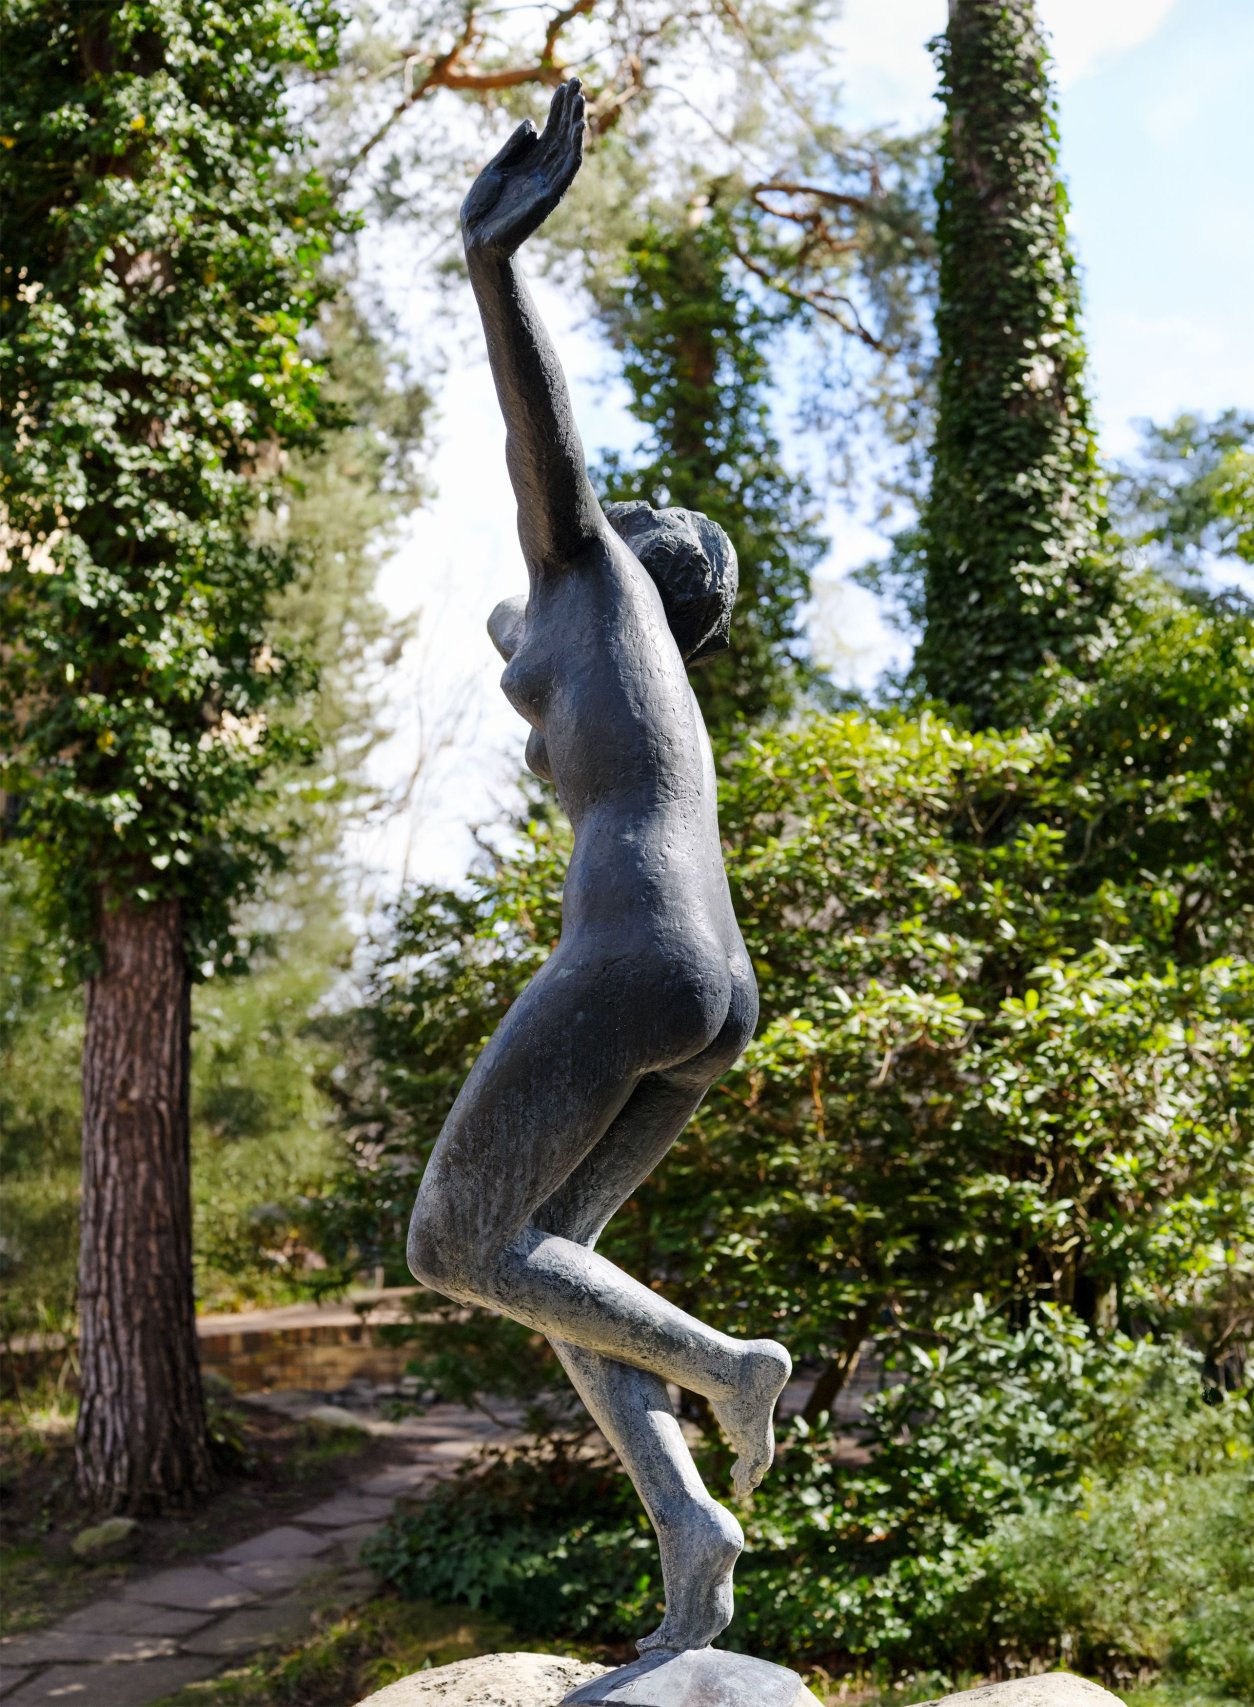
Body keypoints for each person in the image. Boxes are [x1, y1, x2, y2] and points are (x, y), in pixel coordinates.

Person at [407, 79, 791, 1654]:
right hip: (713, 985)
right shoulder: (622, 655)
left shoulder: (595, 568)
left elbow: (537, 439)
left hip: (631, 958)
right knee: (552, 1257)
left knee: (454, 1243)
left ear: (640, 548)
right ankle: (688, 1520)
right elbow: (511, 633)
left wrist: (491, 264)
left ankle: (730, 1367)